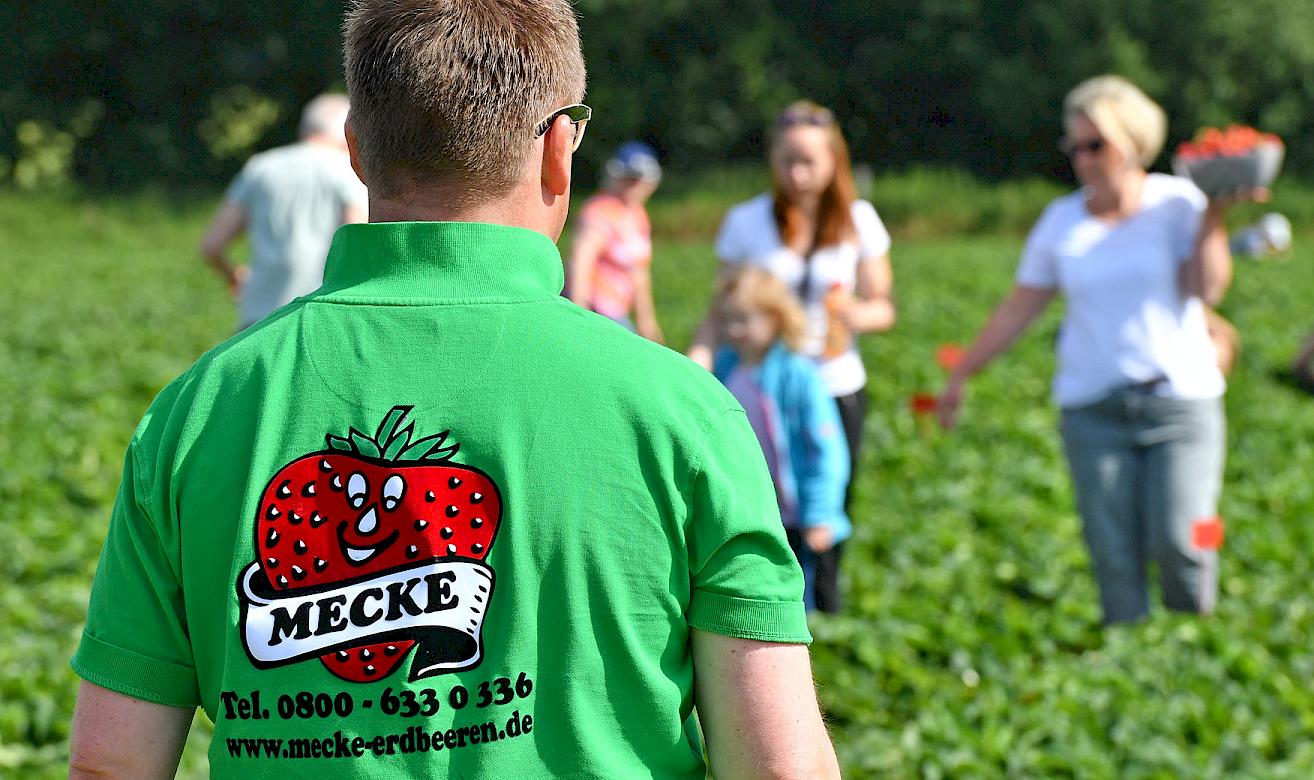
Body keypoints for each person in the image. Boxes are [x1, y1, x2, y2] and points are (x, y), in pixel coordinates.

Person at [68, 2, 840, 778]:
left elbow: (110, 764)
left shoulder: (197, 413)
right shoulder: (684, 412)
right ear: (560, 150)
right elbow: (778, 767)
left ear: (358, 153)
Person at [937, 75, 1264, 626]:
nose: (1082, 157)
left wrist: (1213, 218)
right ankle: (1127, 655)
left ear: (1133, 141)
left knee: (1186, 534)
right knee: (1111, 551)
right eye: (1074, 146)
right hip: (1092, 407)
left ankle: (1201, 638)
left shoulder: (1178, 201)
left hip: (1179, 399)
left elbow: (1208, 289)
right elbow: (1020, 307)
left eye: (1096, 144)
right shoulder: (1061, 221)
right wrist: (963, 371)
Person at [689, 100, 895, 613]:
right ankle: (772, 604)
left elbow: (883, 307)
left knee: (828, 494)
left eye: (809, 161)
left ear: (834, 162)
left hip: (832, 380)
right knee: (762, 493)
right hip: (763, 382)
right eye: (787, 160)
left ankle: (825, 603)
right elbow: (719, 309)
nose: (798, 173)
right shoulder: (745, 222)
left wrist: (853, 313)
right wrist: (697, 363)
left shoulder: (858, 221)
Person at [710, 267, 852, 611]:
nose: (734, 330)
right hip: (749, 502)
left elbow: (825, 450)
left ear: (775, 319)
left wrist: (820, 513)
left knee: (805, 584)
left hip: (794, 508)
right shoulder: (725, 367)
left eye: (744, 320)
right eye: (729, 320)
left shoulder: (797, 375)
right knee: (758, 582)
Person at [200, 93, 368, 330]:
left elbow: (212, 246)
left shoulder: (260, 168)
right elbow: (358, 240)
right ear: (349, 133)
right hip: (319, 315)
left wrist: (235, 277)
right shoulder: (347, 170)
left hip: (257, 318)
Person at [563, 141, 664, 342]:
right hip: (596, 307)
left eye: (639, 179)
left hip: (617, 308)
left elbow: (639, 270)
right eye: (628, 178)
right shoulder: (599, 212)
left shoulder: (637, 214)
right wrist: (578, 312)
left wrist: (647, 320)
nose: (634, 185)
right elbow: (581, 262)